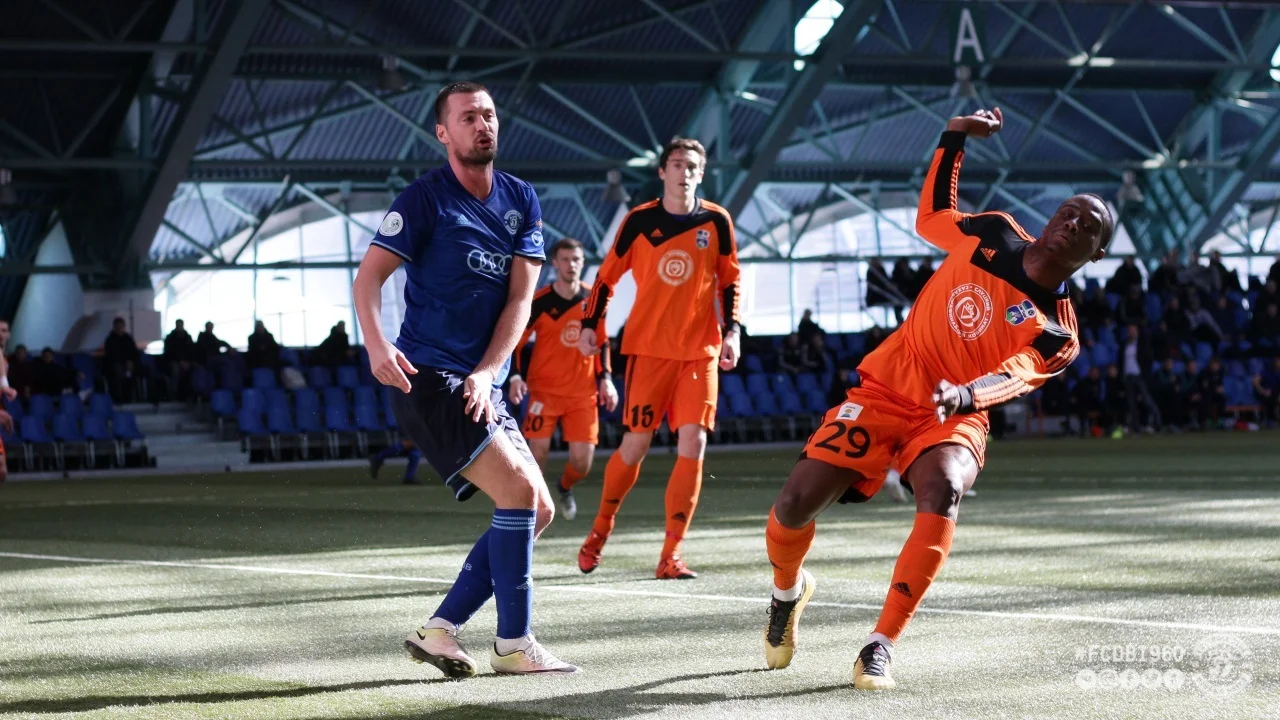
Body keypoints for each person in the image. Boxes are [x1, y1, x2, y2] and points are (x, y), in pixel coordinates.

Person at [760, 107, 1111, 690]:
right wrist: (954, 136)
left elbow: (1017, 374)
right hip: (887, 386)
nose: (1074, 223)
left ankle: (880, 644)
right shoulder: (994, 233)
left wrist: (967, 394)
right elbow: (932, 217)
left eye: (1089, 226)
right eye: (1069, 212)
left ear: (1096, 253)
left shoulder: (1058, 330)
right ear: (1051, 218)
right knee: (794, 505)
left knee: (944, 486)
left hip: (955, 414)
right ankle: (786, 593)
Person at [351, 81, 575, 678]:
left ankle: (440, 630)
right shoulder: (424, 200)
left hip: (482, 383)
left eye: (489, 115)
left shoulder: (521, 198)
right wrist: (377, 344)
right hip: (429, 378)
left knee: (538, 510)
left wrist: (489, 372)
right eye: (468, 117)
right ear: (443, 132)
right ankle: (514, 644)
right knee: (519, 495)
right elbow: (367, 280)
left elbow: (521, 301)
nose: (483, 125)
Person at [575, 136, 741, 581]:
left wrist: (733, 331)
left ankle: (671, 554)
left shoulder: (717, 221)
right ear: (662, 171)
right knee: (636, 446)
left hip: (700, 352)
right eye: (677, 164)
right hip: (648, 351)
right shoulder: (639, 221)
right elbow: (605, 279)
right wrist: (591, 325)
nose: (684, 172)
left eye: (692, 166)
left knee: (694, 443)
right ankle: (600, 529)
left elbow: (730, 281)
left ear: (701, 174)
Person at [507, 237, 618, 522]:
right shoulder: (540, 301)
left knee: (582, 464)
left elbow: (602, 342)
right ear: (555, 263)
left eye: (576, 259)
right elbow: (516, 342)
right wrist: (515, 376)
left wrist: (606, 379)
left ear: (583, 262)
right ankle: (532, 511)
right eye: (566, 259)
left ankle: (565, 486)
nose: (571, 265)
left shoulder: (594, 299)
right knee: (538, 454)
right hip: (544, 392)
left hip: (583, 394)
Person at [1119, 324, 1160, 433]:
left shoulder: (1142, 345)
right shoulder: (1124, 345)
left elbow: (1147, 360)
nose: (1131, 332)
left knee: (1147, 400)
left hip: (1139, 376)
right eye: (1130, 330)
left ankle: (1158, 422)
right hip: (1127, 377)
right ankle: (1135, 427)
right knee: (1131, 403)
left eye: (1133, 330)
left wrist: (1145, 375)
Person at [103, 317, 141, 403]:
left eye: (121, 326)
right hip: (116, 365)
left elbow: (135, 353)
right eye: (118, 327)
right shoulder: (110, 340)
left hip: (130, 364)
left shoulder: (128, 338)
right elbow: (112, 356)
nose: (120, 329)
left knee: (145, 370)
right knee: (118, 371)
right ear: (114, 327)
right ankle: (120, 398)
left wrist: (131, 361)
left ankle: (142, 398)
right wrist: (125, 362)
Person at [163, 320, 196, 401]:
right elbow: (169, 352)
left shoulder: (187, 337)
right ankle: (175, 394)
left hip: (187, 362)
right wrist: (180, 361)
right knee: (175, 371)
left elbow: (192, 350)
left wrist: (187, 361)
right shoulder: (170, 338)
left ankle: (190, 395)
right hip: (174, 362)